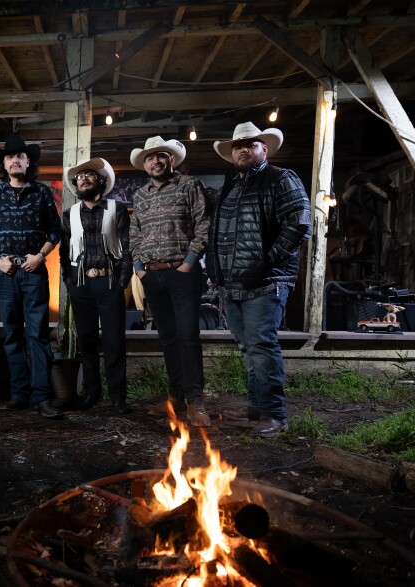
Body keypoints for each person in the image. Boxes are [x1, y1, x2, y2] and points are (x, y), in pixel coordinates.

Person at [207, 122, 312, 438]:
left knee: (262, 345)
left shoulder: (281, 178)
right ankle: (257, 405)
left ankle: (274, 414)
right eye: (238, 146)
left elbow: (299, 224)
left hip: (265, 283)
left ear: (264, 149)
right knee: (247, 347)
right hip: (232, 284)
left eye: (250, 144)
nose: (243, 149)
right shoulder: (230, 186)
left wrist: (267, 260)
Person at [0, 133, 63, 419]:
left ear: (28, 162)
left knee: (37, 334)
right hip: (4, 274)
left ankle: (42, 397)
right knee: (12, 334)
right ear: (3, 163)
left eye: (20, 156)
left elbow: (55, 231)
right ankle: (19, 393)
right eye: (10, 156)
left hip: (34, 272)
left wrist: (40, 256)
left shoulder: (41, 193)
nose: (15, 160)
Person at [129, 136, 212, 427]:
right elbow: (134, 235)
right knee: (168, 338)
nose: (155, 161)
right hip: (153, 275)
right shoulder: (139, 197)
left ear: (172, 160)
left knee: (188, 336)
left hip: (183, 273)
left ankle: (195, 401)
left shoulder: (190, 186)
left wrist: (190, 262)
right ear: (145, 164)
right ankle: (175, 396)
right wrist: (140, 268)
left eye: (161, 156)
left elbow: (204, 224)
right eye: (150, 157)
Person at [59, 157, 133, 415]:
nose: (84, 179)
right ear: (76, 184)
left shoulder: (117, 209)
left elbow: (127, 249)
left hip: (109, 282)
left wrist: (122, 281)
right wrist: (70, 282)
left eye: (90, 175)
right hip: (81, 285)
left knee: (114, 342)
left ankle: (118, 397)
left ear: (101, 181)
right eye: (79, 177)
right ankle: (91, 393)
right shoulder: (69, 215)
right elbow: (64, 252)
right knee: (87, 342)